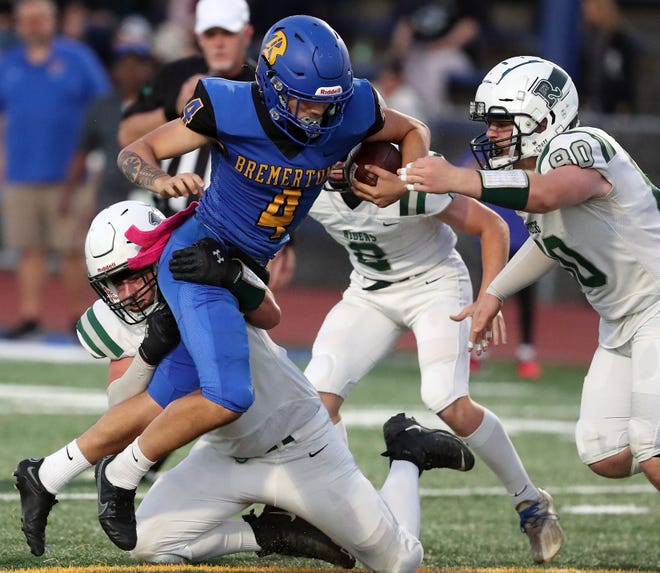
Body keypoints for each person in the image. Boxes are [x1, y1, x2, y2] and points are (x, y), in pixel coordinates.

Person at [102, 13, 430, 548]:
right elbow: (134, 151)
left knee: (239, 378)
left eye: (330, 102)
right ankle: (113, 474)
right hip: (202, 254)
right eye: (307, 102)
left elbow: (414, 130)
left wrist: (404, 180)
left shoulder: (350, 109)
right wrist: (164, 179)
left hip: (252, 274)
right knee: (215, 388)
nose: (320, 115)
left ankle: (87, 470)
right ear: (273, 87)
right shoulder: (230, 105)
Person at [15, 200, 475, 572]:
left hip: (298, 446)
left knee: (399, 562)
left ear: (154, 258)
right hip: (223, 453)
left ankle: (408, 455)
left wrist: (231, 277)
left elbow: (269, 314)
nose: (122, 293)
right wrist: (150, 352)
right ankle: (268, 534)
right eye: (111, 284)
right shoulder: (119, 318)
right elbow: (120, 403)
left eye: (129, 276)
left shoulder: (193, 272)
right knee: (148, 543)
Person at [359, 55, 660, 491]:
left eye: (502, 121)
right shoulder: (528, 173)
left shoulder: (579, 145)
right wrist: (494, 293)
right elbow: (550, 241)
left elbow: (547, 194)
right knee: (605, 452)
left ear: (543, 118)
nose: (492, 133)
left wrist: (457, 179)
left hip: (655, 304)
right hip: (622, 322)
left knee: (652, 450)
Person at [299, 152, 562, 564]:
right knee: (316, 400)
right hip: (369, 291)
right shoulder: (308, 183)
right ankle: (345, 513)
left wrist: (489, 296)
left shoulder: (404, 181)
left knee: (447, 399)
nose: (328, 159)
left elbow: (490, 225)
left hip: (434, 284)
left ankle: (530, 502)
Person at [0, 0, 111, 338]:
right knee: (28, 248)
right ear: (18, 24)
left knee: (71, 250)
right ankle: (31, 315)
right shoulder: (8, 63)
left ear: (53, 21)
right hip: (20, 172)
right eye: (27, 19)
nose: (33, 25)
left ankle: (79, 317)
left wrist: (97, 156)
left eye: (40, 18)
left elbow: (104, 106)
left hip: (70, 175)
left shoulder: (78, 58)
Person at [118, 0, 256, 215]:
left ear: (246, 34)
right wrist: (174, 108)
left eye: (228, 33)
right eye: (211, 34)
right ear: (199, 37)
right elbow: (127, 135)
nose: (219, 43)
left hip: (237, 222)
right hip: (168, 214)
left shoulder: (262, 86)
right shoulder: (174, 74)